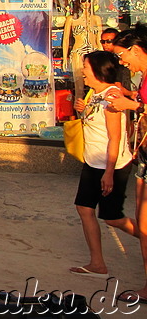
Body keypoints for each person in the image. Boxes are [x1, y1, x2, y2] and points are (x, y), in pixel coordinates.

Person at [69, 51, 137, 278]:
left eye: (86, 67)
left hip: (111, 165)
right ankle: (97, 263)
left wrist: (108, 173)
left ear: (97, 70)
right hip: (94, 161)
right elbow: (92, 122)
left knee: (112, 217)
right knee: (84, 208)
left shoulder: (112, 96)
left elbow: (115, 137)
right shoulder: (94, 93)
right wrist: (82, 109)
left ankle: (145, 236)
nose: (83, 72)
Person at [106, 26, 147, 304]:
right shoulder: (143, 77)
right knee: (143, 222)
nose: (122, 62)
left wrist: (129, 105)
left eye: (122, 55)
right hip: (143, 154)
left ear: (135, 49)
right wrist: (130, 97)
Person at [63, 0, 103, 99]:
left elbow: (99, 38)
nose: (86, 3)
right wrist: (64, 57)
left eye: (89, 0)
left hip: (94, 52)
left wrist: (103, 56)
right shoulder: (71, 19)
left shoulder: (96, 19)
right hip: (78, 52)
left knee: (96, 87)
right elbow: (66, 39)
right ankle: (80, 114)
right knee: (79, 89)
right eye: (83, 0)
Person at [101, 27, 133, 96]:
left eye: (109, 41)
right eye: (103, 42)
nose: (105, 44)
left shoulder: (122, 58)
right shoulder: (104, 58)